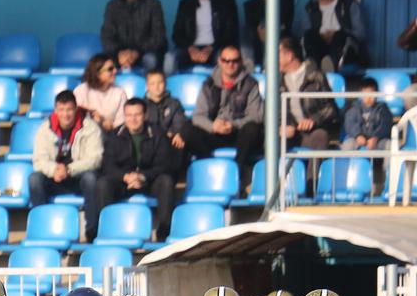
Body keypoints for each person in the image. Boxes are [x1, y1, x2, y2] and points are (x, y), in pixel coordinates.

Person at [96, 97, 177, 242]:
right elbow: (107, 165)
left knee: (166, 181)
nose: (133, 119)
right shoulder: (115, 135)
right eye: (129, 115)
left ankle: (163, 234)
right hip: (124, 182)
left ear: (145, 115)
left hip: (149, 181)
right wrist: (126, 177)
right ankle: (108, 232)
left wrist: (142, 176)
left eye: (137, 115)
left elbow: (164, 164)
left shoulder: (158, 133)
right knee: (103, 184)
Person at [29, 90, 104, 243]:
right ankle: (42, 231)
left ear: (75, 109)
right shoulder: (45, 129)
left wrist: (69, 170)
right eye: (61, 110)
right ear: (55, 110)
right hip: (55, 177)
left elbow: (95, 159)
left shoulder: (90, 128)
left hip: (78, 177)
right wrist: (54, 170)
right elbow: (39, 160)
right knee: (34, 179)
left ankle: (92, 233)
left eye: (69, 109)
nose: (65, 114)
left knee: (91, 178)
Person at [184, 46, 264, 186]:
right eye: (226, 61)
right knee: (189, 131)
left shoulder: (250, 84)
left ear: (240, 62)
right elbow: (198, 116)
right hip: (215, 131)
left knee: (252, 128)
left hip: (238, 132)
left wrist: (233, 125)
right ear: (220, 62)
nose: (230, 64)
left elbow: (255, 115)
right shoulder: (208, 84)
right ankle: (211, 168)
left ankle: (237, 171)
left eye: (234, 61)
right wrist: (213, 126)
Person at [278, 37, 339, 152]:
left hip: (313, 132)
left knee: (320, 136)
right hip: (291, 133)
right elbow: (272, 113)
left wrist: (313, 120)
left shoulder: (316, 77)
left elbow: (331, 109)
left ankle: (314, 165)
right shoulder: (278, 82)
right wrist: (279, 128)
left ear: (289, 56)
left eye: (278, 55)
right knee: (271, 139)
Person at [169, 0, 240, 74]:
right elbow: (176, 34)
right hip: (190, 49)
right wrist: (190, 48)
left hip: (216, 47)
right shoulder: (185, 3)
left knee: (223, 57)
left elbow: (231, 33)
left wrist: (211, 48)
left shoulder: (227, 2)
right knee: (170, 57)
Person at [302, 0, 368, 73]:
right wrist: (322, 36)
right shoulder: (310, 6)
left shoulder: (349, 3)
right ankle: (313, 65)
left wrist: (336, 34)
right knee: (309, 35)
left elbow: (361, 33)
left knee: (339, 35)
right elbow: (306, 31)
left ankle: (332, 64)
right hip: (320, 46)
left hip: (343, 48)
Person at [101, 0, 167, 73]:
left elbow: (159, 37)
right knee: (102, 63)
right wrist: (119, 53)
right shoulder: (112, 6)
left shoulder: (154, 4)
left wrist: (137, 52)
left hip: (145, 53)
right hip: (119, 54)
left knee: (151, 59)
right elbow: (107, 36)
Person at [142, 70, 189, 178]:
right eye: (153, 83)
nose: (157, 87)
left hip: (169, 140)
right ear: (147, 86)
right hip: (149, 140)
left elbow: (179, 122)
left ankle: (173, 177)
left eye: (160, 82)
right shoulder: (142, 105)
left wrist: (177, 133)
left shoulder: (174, 103)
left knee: (178, 141)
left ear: (165, 84)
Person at [242, 0, 295, 69]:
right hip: (258, 38)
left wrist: (272, 32)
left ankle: (269, 66)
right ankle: (249, 63)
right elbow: (250, 25)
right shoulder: (250, 5)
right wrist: (260, 32)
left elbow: (287, 22)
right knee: (247, 30)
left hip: (280, 35)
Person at [74, 54, 128, 132]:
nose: (115, 71)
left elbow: (120, 125)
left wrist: (104, 123)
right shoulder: (81, 90)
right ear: (97, 73)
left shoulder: (120, 93)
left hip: (110, 136)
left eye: (115, 67)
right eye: (110, 69)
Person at [342, 78, 394, 151]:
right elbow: (350, 124)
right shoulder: (355, 108)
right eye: (366, 94)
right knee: (348, 144)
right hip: (357, 139)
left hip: (378, 140)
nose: (369, 98)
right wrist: (358, 135)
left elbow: (385, 125)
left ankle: (387, 160)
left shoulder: (382, 109)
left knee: (389, 145)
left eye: (372, 94)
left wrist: (376, 137)